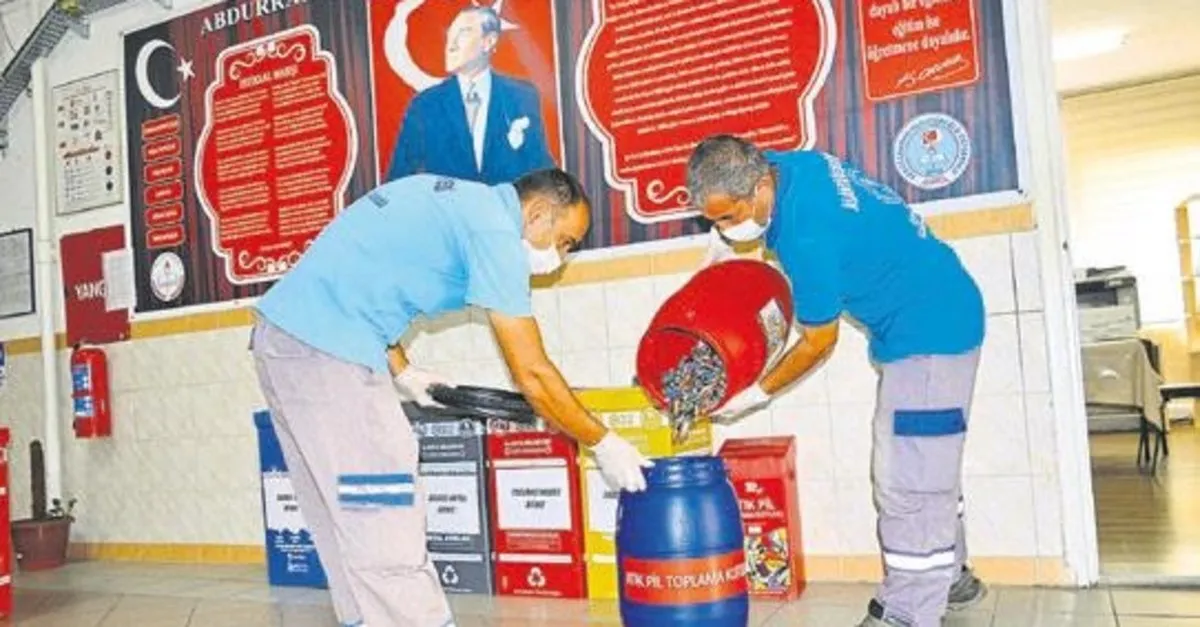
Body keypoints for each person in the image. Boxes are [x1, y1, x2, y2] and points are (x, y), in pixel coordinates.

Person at [250, 169, 651, 627]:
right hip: (328, 354)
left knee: (342, 514)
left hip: (283, 342)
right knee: (383, 512)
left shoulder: (462, 203)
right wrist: (603, 441)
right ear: (538, 213)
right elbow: (533, 374)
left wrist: (402, 369)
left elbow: (368, 276)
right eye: (564, 242)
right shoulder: (495, 231)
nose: (560, 258)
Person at [686, 135, 987, 627]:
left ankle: (909, 612)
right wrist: (719, 252)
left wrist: (754, 394)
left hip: (932, 334)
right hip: (938, 308)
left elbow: (817, 343)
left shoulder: (807, 235)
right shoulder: (789, 167)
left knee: (907, 481)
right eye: (713, 221)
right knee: (928, 464)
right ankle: (949, 577)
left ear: (759, 187)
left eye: (727, 217)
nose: (724, 228)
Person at [385, 5, 555, 185]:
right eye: (449, 35)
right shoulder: (425, 106)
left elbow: (541, 169)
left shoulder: (521, 96)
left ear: (488, 41)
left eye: (463, 33)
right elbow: (397, 182)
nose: (451, 45)